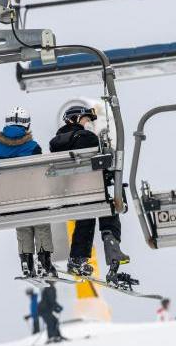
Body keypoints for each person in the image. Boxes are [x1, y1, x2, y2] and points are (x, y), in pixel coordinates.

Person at [51, 105, 130, 283]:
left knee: (86, 215)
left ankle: (78, 258)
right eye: (87, 119)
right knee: (106, 205)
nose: (89, 123)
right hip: (93, 191)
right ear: (76, 119)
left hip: (69, 194)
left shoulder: (56, 143)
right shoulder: (87, 138)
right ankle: (112, 245)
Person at [0, 107, 56, 278]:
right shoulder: (32, 147)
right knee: (41, 222)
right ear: (27, 125)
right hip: (32, 195)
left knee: (23, 225)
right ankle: (44, 262)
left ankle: (25, 261)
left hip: (8, 197)